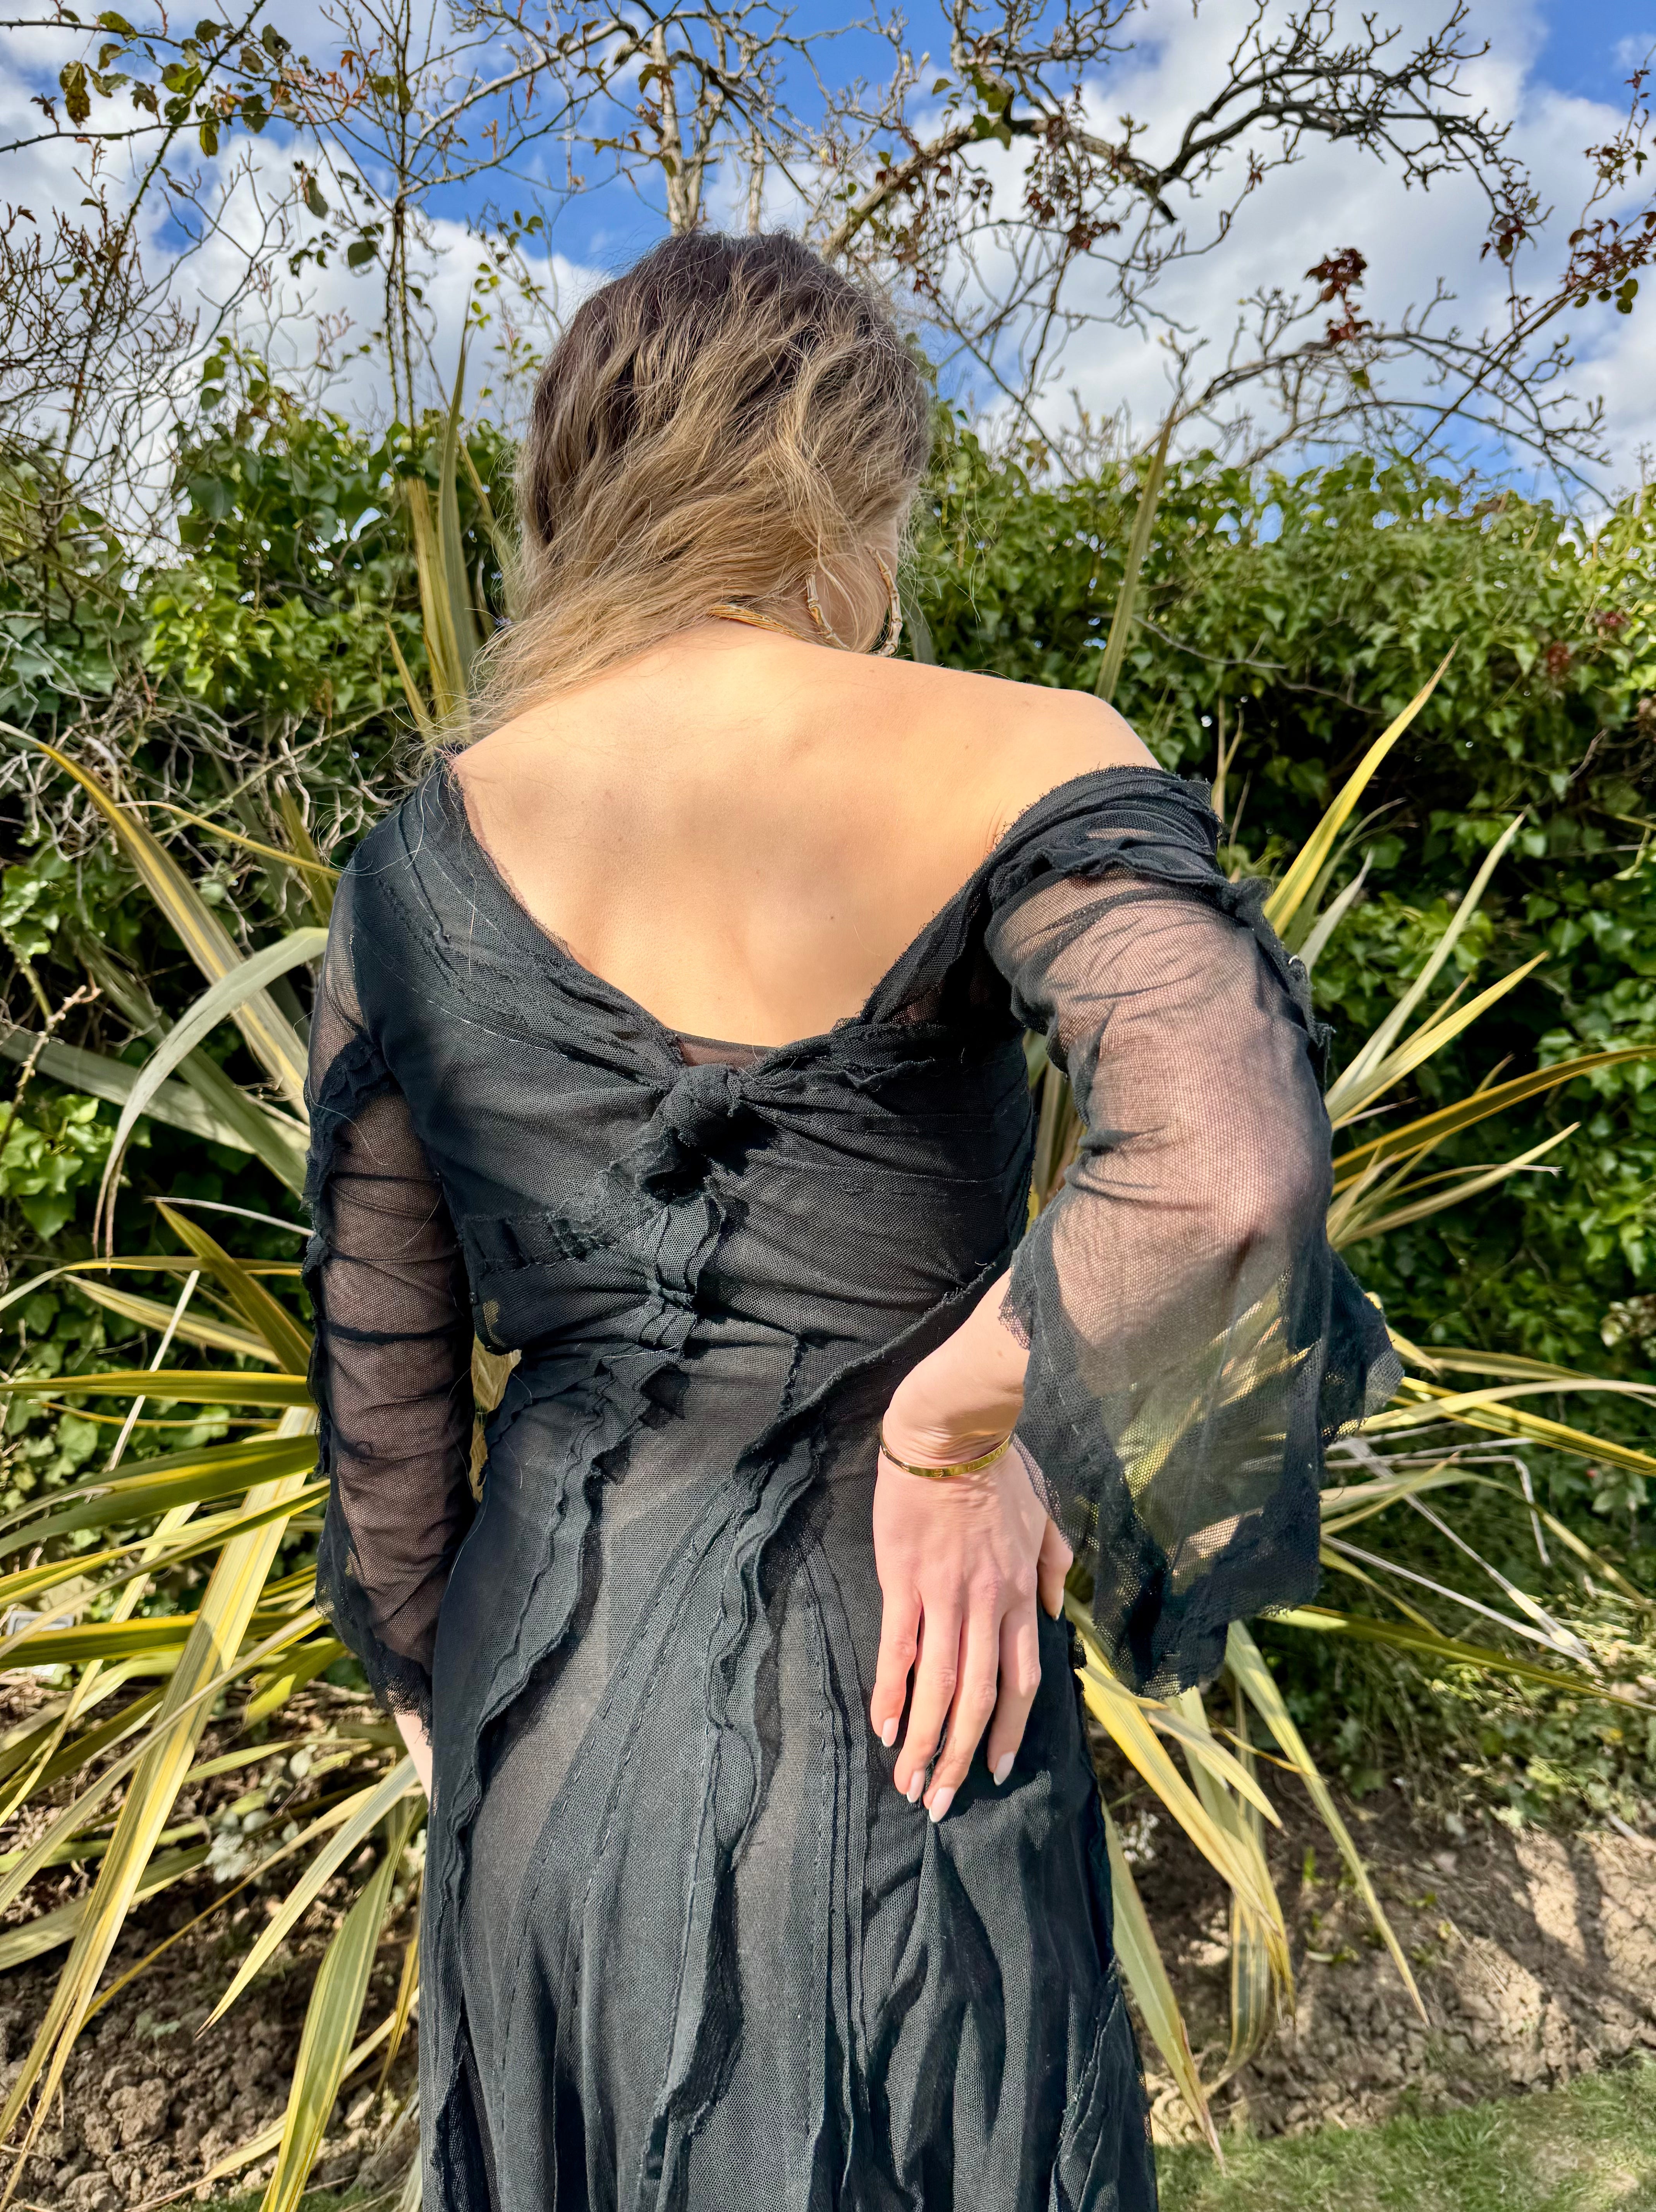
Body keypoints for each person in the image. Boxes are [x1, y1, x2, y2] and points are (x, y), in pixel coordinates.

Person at [303, 229, 1397, 2212]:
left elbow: (383, 1369)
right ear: (858, 475)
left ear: (570, 489)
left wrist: (437, 1700)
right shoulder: (1024, 748)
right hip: (907, 1707)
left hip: (540, 1703)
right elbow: (1223, 1170)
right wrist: (956, 1425)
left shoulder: (412, 864)